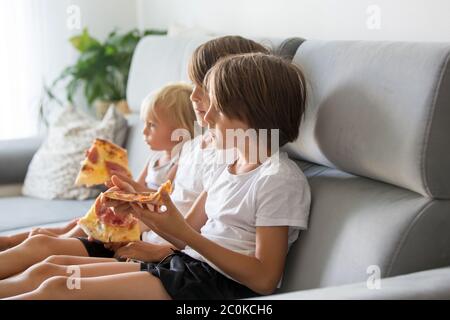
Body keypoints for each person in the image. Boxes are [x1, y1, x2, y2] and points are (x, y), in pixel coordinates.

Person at [6, 52, 311, 300]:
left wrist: (187, 238)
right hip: (187, 266)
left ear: (251, 116)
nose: (204, 119)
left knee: (58, 289)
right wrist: (143, 212)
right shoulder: (228, 168)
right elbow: (181, 234)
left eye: (216, 110)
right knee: (53, 272)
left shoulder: (277, 178)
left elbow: (264, 280)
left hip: (213, 284)